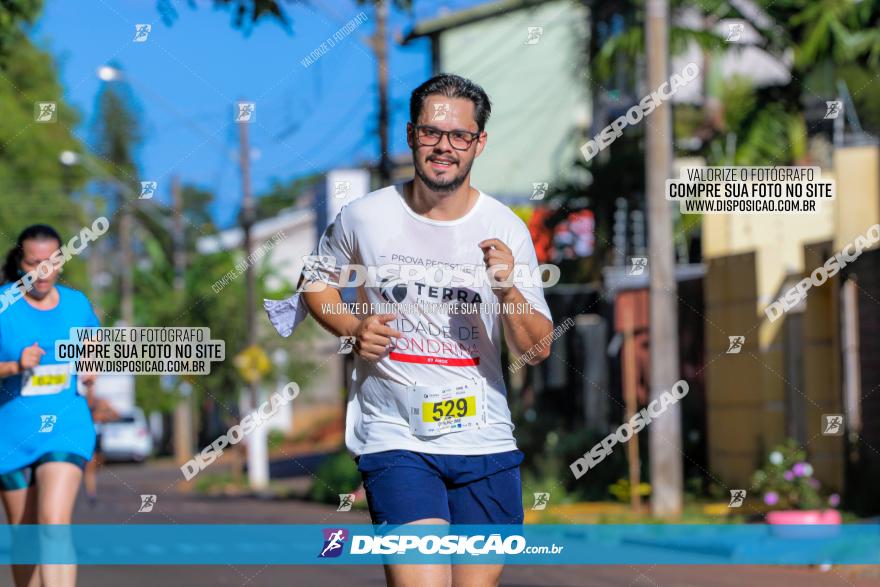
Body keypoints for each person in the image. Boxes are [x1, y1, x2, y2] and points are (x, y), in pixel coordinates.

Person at [301, 74, 554, 587]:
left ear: (479, 143)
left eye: (460, 135)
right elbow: (315, 283)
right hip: (395, 436)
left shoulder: (505, 228)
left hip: (483, 438)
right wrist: (352, 325)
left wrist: (507, 290)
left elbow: (537, 347)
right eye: (431, 133)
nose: (444, 147)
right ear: (412, 134)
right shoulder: (364, 218)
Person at [0, 224, 101, 587]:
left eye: (51, 262)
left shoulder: (77, 304)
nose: (43, 272)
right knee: (24, 537)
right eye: (33, 263)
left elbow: (93, 343)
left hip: (65, 425)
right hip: (10, 433)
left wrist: (92, 364)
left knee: (53, 524)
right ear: (20, 263)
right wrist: (15, 366)